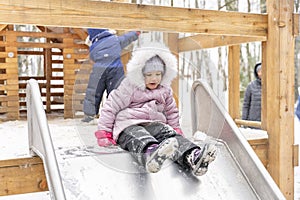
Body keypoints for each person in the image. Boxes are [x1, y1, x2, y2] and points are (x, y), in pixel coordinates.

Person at [94, 43, 217, 176]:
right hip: (128, 125)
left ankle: (193, 156)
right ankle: (151, 154)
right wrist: (104, 132)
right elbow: (111, 107)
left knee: (169, 135)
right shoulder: (129, 87)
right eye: (149, 74)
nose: (154, 78)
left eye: (158, 74)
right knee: (137, 134)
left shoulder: (165, 90)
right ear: (140, 74)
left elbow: (171, 111)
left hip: (153, 125)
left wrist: (175, 129)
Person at [82, 28, 140, 122]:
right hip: (116, 69)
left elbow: (92, 57)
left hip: (99, 70)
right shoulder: (116, 40)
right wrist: (136, 33)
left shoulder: (94, 45)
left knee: (94, 91)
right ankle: (116, 114)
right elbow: (127, 38)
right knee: (115, 92)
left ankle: (90, 115)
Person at [242, 63, 262, 128]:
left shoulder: (271, 86)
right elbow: (246, 105)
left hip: (268, 123)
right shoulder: (251, 86)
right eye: (259, 71)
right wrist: (244, 122)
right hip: (253, 123)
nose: (261, 73)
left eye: (262, 71)